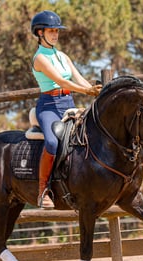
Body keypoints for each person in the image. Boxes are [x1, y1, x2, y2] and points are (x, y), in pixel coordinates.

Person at [31, 10, 102, 209]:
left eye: (57, 31)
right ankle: (43, 189)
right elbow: (61, 81)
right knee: (53, 142)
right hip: (49, 106)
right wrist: (86, 90)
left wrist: (96, 91)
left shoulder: (62, 56)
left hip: (68, 103)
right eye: (51, 31)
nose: (55, 34)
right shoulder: (39, 58)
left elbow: (78, 78)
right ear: (39, 33)